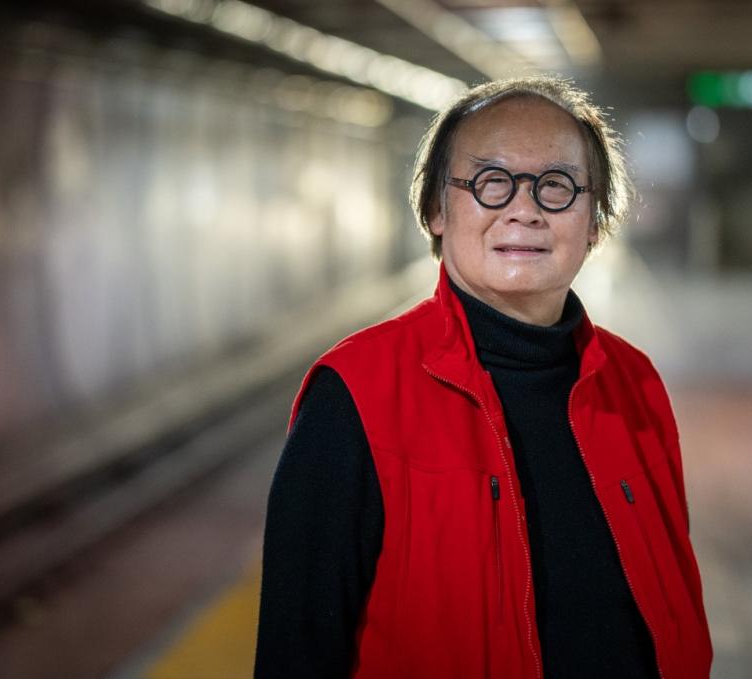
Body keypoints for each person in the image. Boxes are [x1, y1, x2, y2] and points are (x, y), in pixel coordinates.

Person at [254, 75, 712, 679]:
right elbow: (297, 653)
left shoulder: (635, 384)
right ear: (437, 209)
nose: (524, 209)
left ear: (596, 220)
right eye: (491, 183)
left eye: (558, 186)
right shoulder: (354, 396)